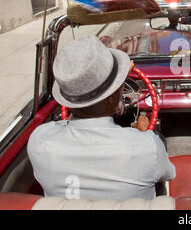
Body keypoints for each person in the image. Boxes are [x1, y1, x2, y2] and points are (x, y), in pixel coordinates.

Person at [27, 35, 176, 201]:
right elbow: (168, 174)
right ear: (113, 97)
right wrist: (144, 132)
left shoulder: (40, 140)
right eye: (119, 87)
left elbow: (71, 118)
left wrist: (111, 85)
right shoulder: (147, 146)